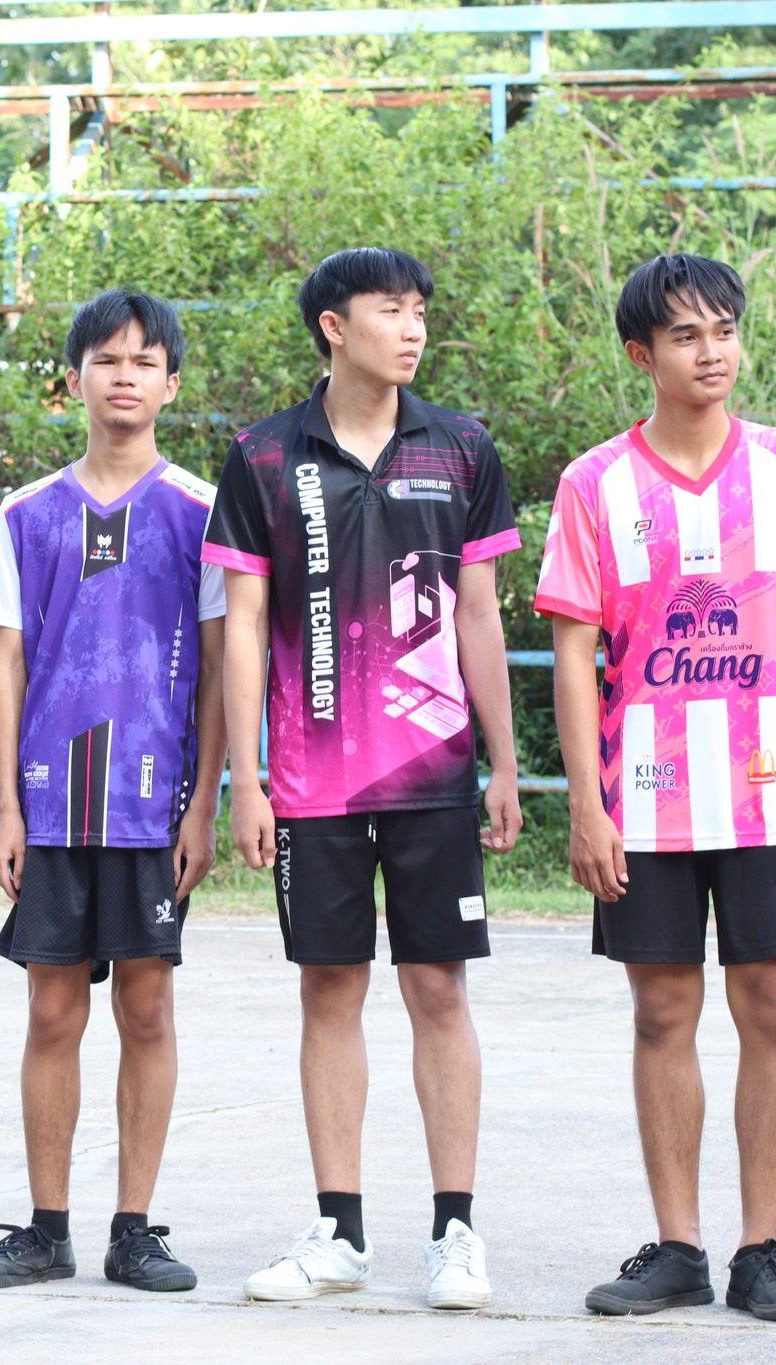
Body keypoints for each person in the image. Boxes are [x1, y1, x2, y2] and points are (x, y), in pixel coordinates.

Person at [205, 247, 523, 1311]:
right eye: (390, 309)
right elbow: (243, 626)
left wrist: (504, 763)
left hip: (434, 776)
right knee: (328, 989)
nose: (412, 327)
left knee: (438, 988)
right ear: (334, 327)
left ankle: (455, 1232)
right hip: (312, 783)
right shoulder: (261, 456)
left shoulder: (462, 447)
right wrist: (247, 779)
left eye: (419, 309)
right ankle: (338, 1232)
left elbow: (477, 612)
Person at [534, 253, 776, 1322]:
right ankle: (677, 1247)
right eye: (685, 335)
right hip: (644, 800)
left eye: (724, 330)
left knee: (771, 1008)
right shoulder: (594, 484)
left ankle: (761, 1250)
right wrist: (586, 803)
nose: (711, 352)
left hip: (766, 793)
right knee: (661, 1012)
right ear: (642, 354)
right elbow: (572, 653)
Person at [0, 291, 228, 1293]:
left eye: (143, 361)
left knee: (147, 1010)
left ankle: (134, 1228)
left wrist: (204, 802)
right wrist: (6, 806)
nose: (124, 376)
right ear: (73, 378)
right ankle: (45, 1228)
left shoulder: (202, 511)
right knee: (51, 1012)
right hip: (52, 803)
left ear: (171, 383)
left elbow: (219, 666)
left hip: (152, 805)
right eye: (106, 359)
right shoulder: (27, 513)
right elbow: (5, 659)